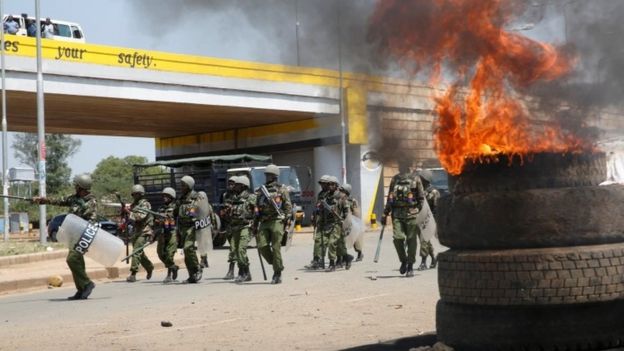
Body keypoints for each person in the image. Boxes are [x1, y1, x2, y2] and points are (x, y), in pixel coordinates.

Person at [33, 174, 97, 300]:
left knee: (72, 259)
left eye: (76, 185)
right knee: (78, 261)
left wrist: (77, 202)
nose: (75, 187)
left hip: (86, 234)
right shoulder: (74, 198)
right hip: (75, 234)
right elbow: (59, 200)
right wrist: (42, 200)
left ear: (81, 187)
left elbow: (84, 214)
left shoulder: (91, 201)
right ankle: (81, 290)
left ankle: (87, 284)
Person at [382, 159, 425, 277]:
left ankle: (410, 265)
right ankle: (404, 260)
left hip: (412, 214)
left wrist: (420, 213)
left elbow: (421, 198)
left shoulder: (416, 179)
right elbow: (390, 198)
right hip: (397, 214)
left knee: (411, 240)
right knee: (397, 238)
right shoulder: (395, 179)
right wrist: (385, 213)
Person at [254, 164, 292, 284]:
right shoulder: (261, 190)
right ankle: (276, 263)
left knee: (276, 247)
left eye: (269, 175)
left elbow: (287, 206)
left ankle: (277, 273)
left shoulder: (282, 189)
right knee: (262, 246)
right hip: (264, 221)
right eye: (266, 175)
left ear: (275, 176)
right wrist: (255, 224)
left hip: (277, 220)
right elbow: (257, 208)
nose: (267, 177)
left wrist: (286, 219)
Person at [316, 175, 350, 272]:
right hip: (327, 223)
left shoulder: (341, 196)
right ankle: (347, 258)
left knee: (332, 243)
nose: (329, 186)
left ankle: (332, 264)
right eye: (328, 184)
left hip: (337, 223)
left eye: (332, 184)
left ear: (336, 185)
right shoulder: (325, 197)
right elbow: (321, 210)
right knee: (327, 243)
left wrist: (344, 221)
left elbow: (346, 211)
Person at [175, 175, 204, 283]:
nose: (181, 187)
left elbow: (204, 210)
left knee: (188, 248)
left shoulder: (197, 197)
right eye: (181, 185)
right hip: (182, 227)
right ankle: (192, 275)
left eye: (183, 185)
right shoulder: (181, 198)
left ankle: (197, 268)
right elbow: (175, 211)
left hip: (193, 227)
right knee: (186, 252)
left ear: (189, 185)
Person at [229, 176, 256, 283]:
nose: (235, 186)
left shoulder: (251, 197)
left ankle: (244, 272)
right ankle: (244, 273)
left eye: (237, 185)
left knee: (241, 249)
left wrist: (255, 223)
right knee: (236, 250)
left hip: (246, 226)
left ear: (243, 186)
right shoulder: (235, 197)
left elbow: (256, 211)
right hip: (235, 227)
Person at [125, 184, 155, 282]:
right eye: (133, 195)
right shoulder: (134, 205)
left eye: (136, 194)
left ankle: (133, 274)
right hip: (137, 230)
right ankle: (149, 266)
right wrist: (126, 211)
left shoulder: (145, 204)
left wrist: (129, 213)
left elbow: (140, 217)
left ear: (141, 194)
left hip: (145, 230)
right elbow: (132, 218)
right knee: (138, 252)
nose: (134, 196)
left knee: (136, 251)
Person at [305, 175, 331, 270]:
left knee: (328, 242)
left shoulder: (331, 194)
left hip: (330, 220)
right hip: (320, 219)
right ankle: (316, 259)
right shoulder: (321, 194)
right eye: (321, 183)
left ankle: (339, 259)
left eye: (324, 183)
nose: (322, 185)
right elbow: (317, 206)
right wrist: (313, 215)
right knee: (318, 239)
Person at [155, 187, 179, 283]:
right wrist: (158, 220)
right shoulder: (161, 208)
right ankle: (174, 267)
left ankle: (169, 275)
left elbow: (180, 218)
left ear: (171, 197)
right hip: (162, 233)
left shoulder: (176, 207)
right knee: (161, 254)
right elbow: (156, 220)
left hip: (172, 232)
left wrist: (170, 218)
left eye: (166, 196)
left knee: (169, 254)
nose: (164, 197)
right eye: (163, 196)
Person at [417, 169, 439, 270]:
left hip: (428, 219)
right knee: (425, 240)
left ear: (425, 180)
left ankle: (423, 262)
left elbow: (436, 208)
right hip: (419, 217)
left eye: (421, 178)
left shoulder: (433, 192)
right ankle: (434, 258)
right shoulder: (418, 190)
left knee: (424, 240)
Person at [219, 176, 237, 279]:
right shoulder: (224, 195)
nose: (230, 185)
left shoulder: (238, 195)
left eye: (233, 183)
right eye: (229, 183)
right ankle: (244, 269)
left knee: (233, 248)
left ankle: (231, 271)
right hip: (229, 225)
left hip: (238, 225)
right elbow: (221, 209)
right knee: (235, 248)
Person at [340, 183, 363, 261]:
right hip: (341, 221)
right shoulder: (339, 199)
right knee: (342, 239)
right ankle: (343, 256)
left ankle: (359, 252)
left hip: (350, 221)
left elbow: (356, 212)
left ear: (346, 192)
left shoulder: (352, 200)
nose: (340, 192)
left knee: (354, 238)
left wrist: (354, 222)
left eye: (342, 190)